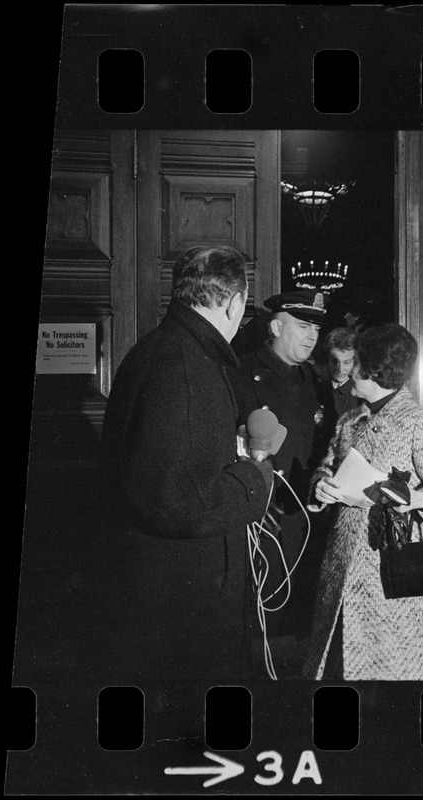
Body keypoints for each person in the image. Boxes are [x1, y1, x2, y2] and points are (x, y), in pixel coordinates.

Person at [98, 244, 274, 682]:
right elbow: (178, 500)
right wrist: (254, 477)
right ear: (235, 302)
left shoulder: (162, 349)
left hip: (160, 583)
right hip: (185, 596)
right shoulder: (187, 365)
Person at [302, 323, 423, 680]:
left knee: (399, 665)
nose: (346, 370)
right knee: (338, 662)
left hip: (395, 556)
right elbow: (326, 466)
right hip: (344, 557)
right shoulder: (349, 420)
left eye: (354, 361)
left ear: (372, 370)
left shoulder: (417, 421)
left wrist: (415, 498)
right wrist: (321, 485)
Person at [228, 289, 331, 639]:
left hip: (308, 512)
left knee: (305, 614)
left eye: (315, 330)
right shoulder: (241, 373)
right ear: (275, 327)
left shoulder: (317, 379)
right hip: (263, 515)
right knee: (263, 616)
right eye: (303, 327)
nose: (312, 337)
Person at [321, 326, 361, 433]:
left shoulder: (360, 394)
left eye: (347, 362)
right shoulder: (316, 385)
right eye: (334, 361)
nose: (340, 369)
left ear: (355, 361)